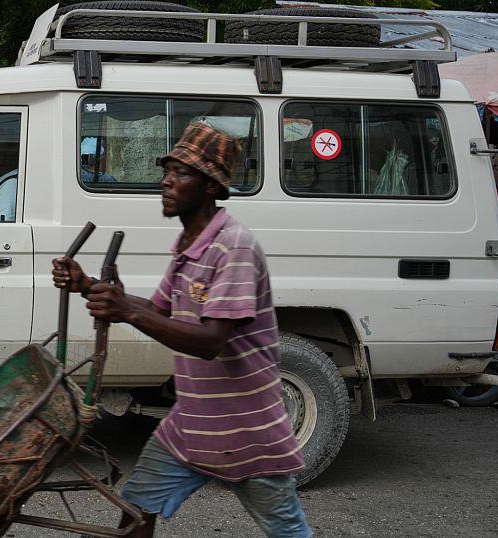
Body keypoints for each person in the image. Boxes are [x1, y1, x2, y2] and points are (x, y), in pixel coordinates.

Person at [52, 123, 311, 538]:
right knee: (137, 506)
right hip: (192, 424)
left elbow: (210, 341)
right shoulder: (190, 245)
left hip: (246, 430)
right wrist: (88, 286)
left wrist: (125, 311)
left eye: (182, 173)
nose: (167, 181)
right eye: (167, 171)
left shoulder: (234, 247)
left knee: (287, 531)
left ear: (210, 186)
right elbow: (157, 311)